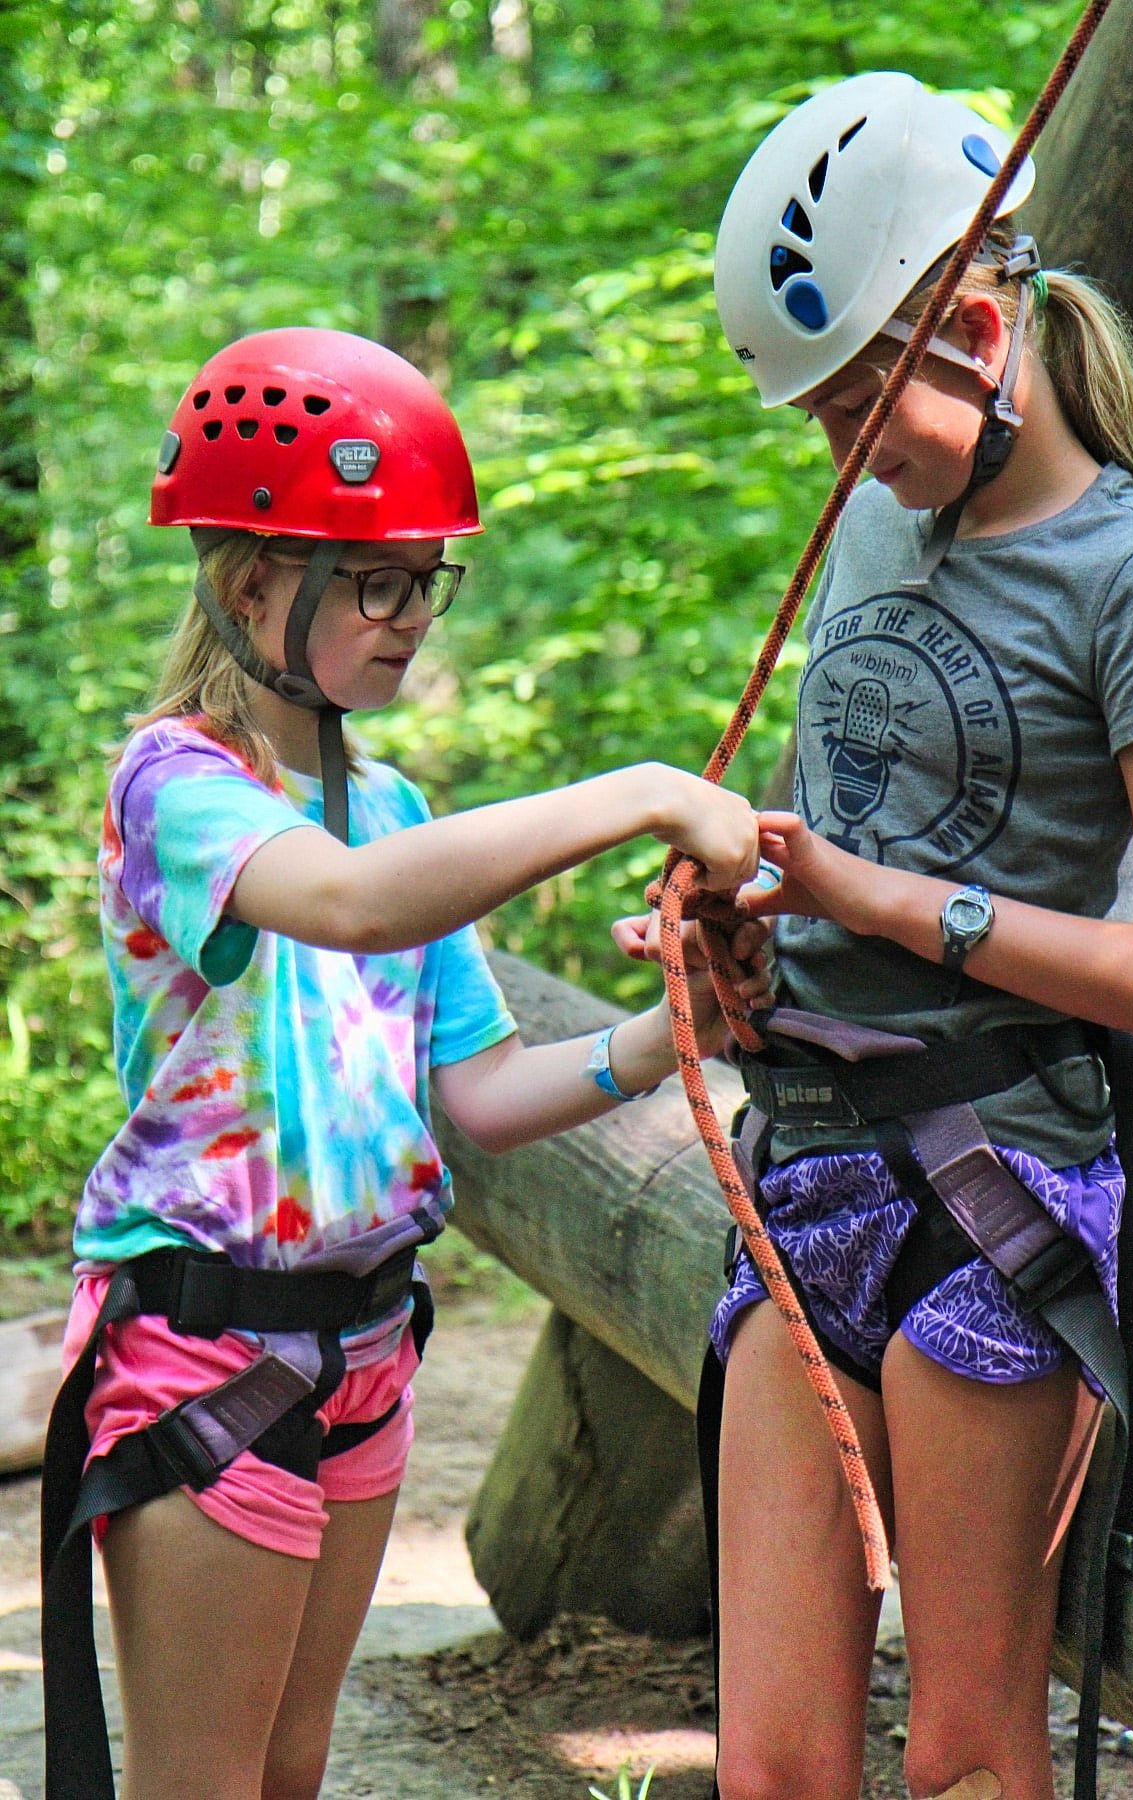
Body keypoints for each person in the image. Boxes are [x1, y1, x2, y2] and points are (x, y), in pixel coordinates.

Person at [40, 326, 771, 1800]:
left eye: (427, 580)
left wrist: (666, 1034)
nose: (410, 617)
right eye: (374, 580)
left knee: (292, 1774)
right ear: (256, 583)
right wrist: (636, 793)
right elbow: (351, 905)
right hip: (208, 1360)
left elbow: (483, 1102)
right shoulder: (176, 787)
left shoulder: (395, 805)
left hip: (366, 1356)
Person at [697, 70, 1133, 1800]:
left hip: (1002, 1181)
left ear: (977, 333)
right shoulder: (871, 536)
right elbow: (824, 832)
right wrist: (741, 926)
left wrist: (888, 905)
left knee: (968, 1760)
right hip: (806, 1165)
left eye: (856, 414)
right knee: (769, 1768)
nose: (844, 462)